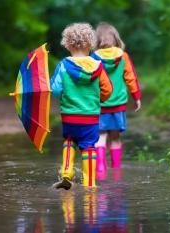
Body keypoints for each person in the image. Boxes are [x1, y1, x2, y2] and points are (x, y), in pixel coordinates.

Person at [50, 22, 113, 189]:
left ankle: (66, 172)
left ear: (68, 45)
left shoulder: (63, 65)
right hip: (90, 117)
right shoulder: (98, 66)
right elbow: (107, 90)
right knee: (89, 147)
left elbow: (55, 90)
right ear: (90, 45)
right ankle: (90, 183)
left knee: (69, 140)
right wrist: (99, 100)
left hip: (69, 116)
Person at [91, 22, 141, 172]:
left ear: (97, 40)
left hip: (100, 104)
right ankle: (116, 169)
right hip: (118, 105)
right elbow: (130, 78)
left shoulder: (93, 58)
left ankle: (100, 167)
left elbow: (89, 80)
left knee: (100, 136)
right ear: (116, 39)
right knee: (115, 137)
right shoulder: (123, 57)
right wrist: (136, 96)